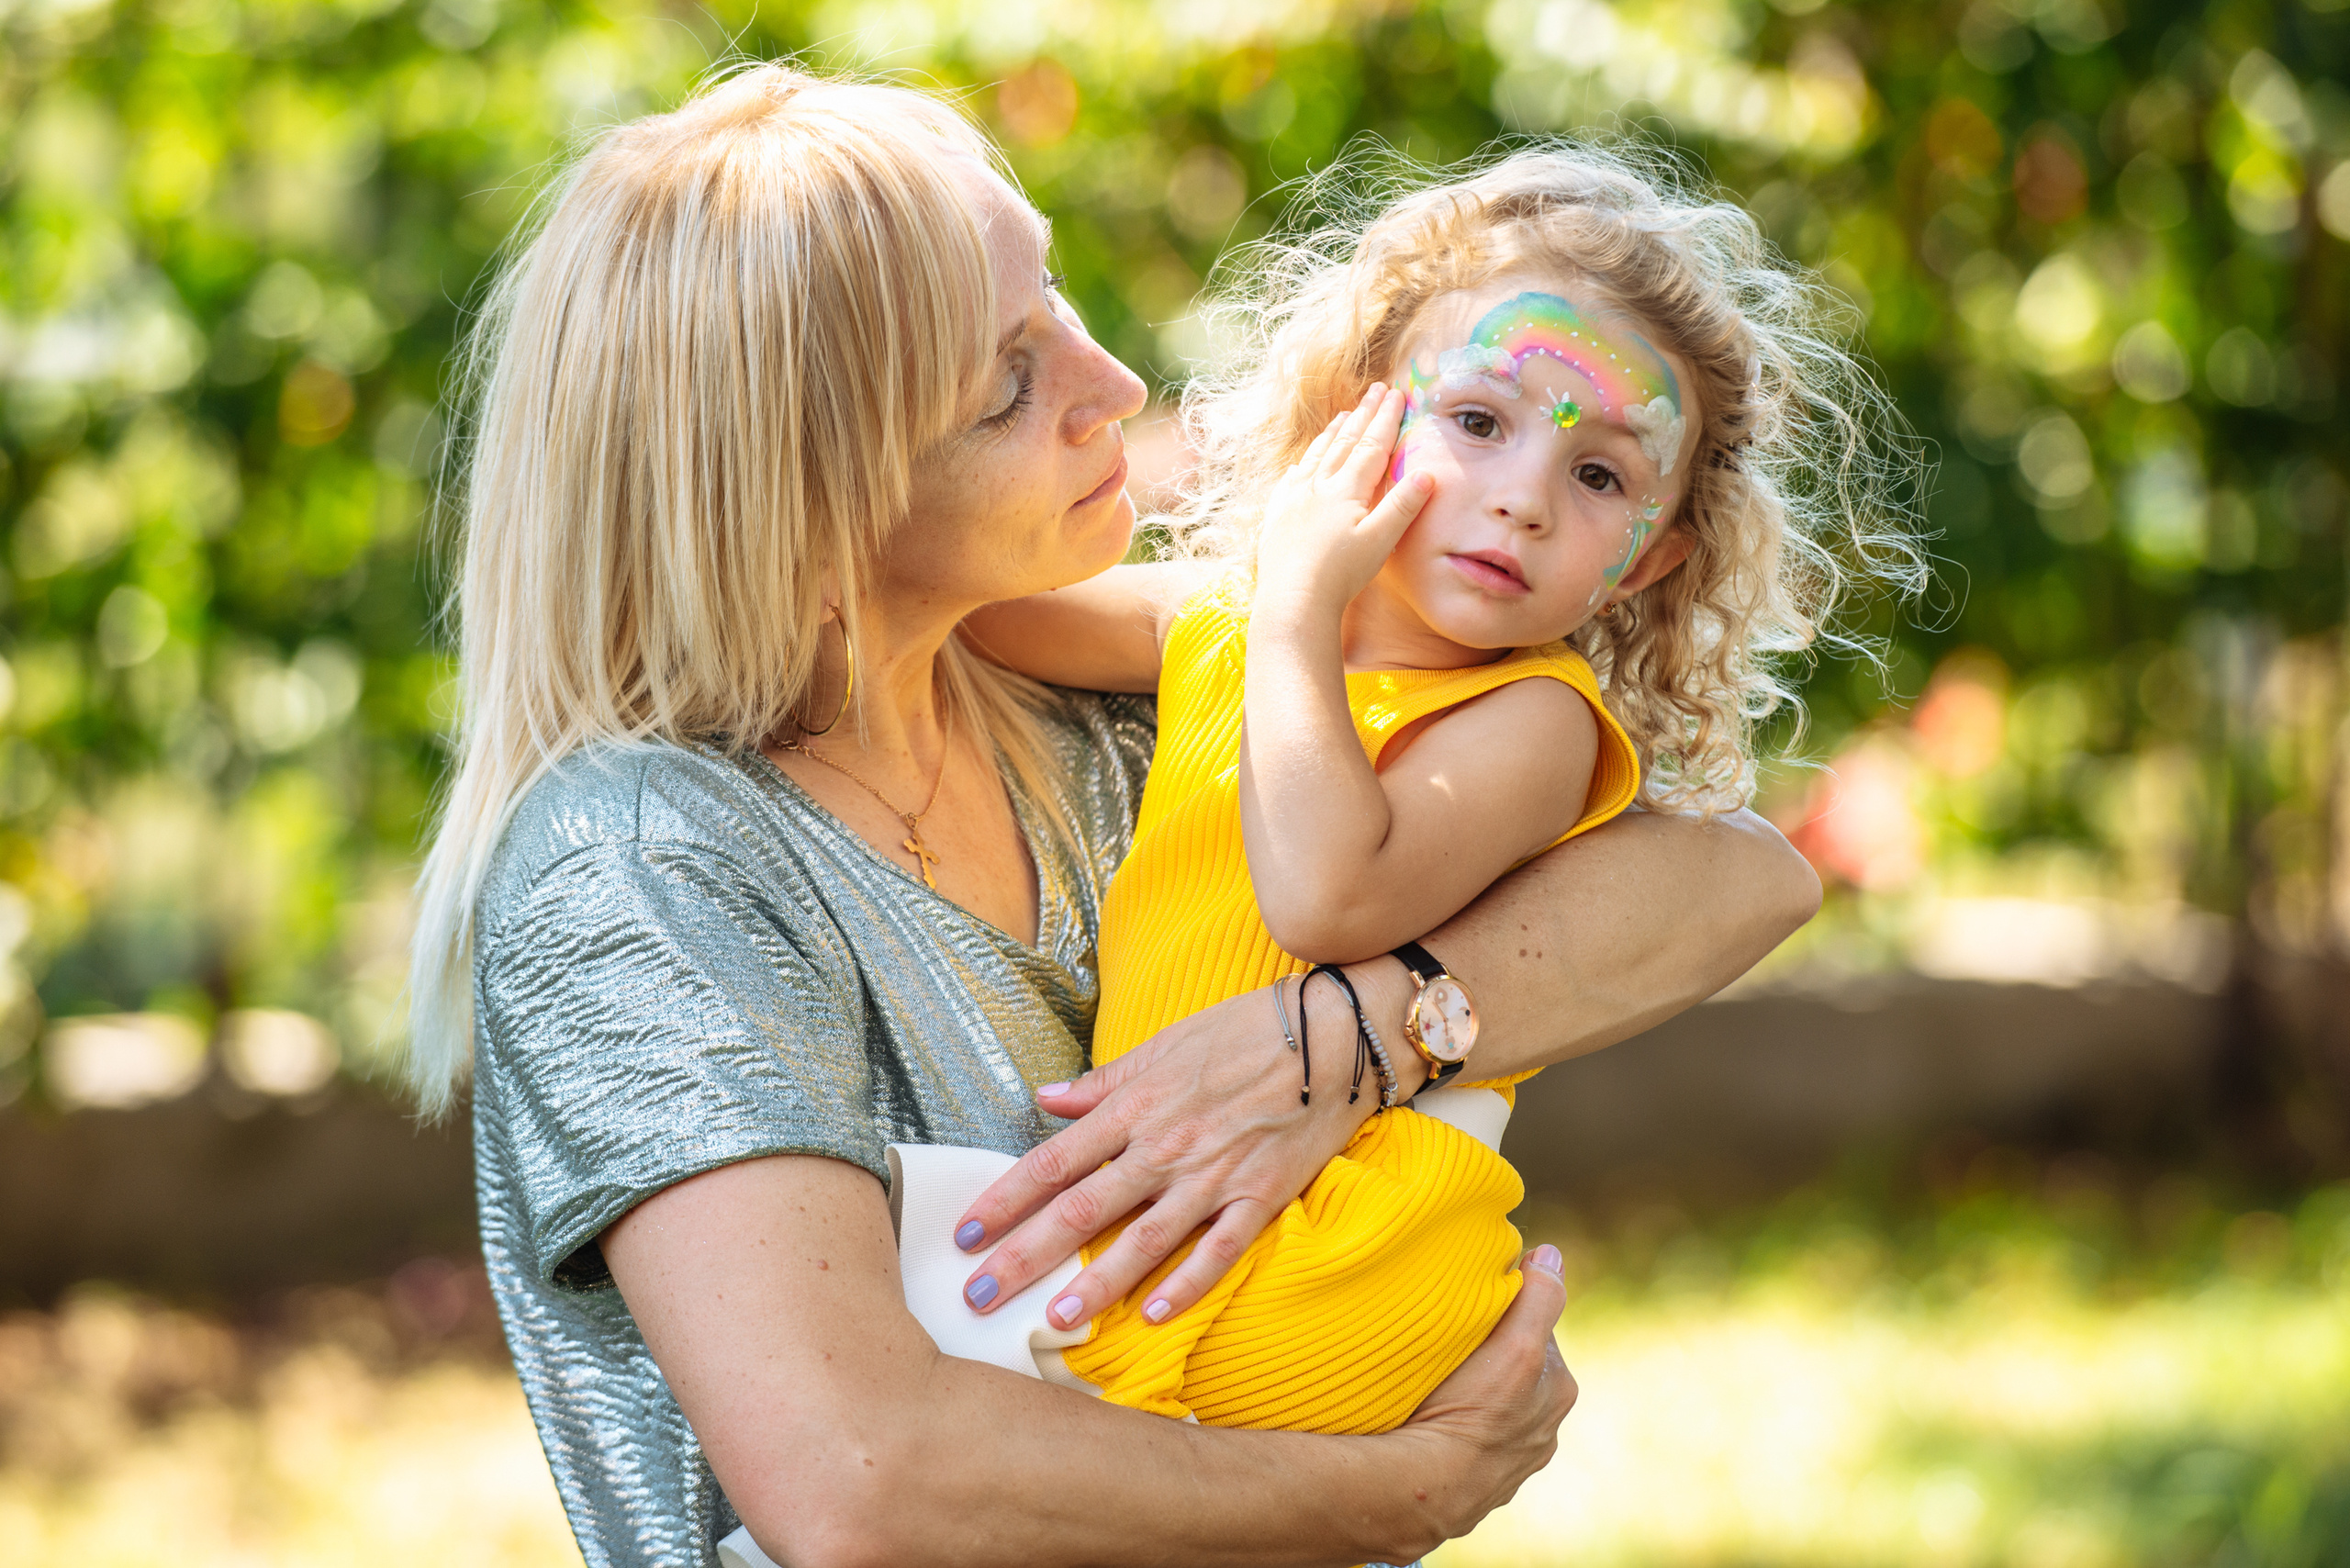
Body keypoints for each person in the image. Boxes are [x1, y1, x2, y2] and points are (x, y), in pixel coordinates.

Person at [404, 63, 1824, 1568]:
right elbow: (864, 1487)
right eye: (1011, 379)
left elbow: (1743, 881)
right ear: (807, 485)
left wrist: (1360, 1036)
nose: (1118, 388)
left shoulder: (1111, 725)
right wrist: (1395, 1497)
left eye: (1062, 298)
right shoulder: (639, 858)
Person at [936, 149, 1924, 1436]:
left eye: (1601, 478)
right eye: (1476, 422)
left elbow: (1329, 900)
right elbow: (990, 618)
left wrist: (1294, 611)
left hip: (1347, 1242)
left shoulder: (1531, 720)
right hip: (1200, 1204)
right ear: (1362, 418)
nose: (1521, 498)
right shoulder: (1233, 618)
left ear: (1647, 563)